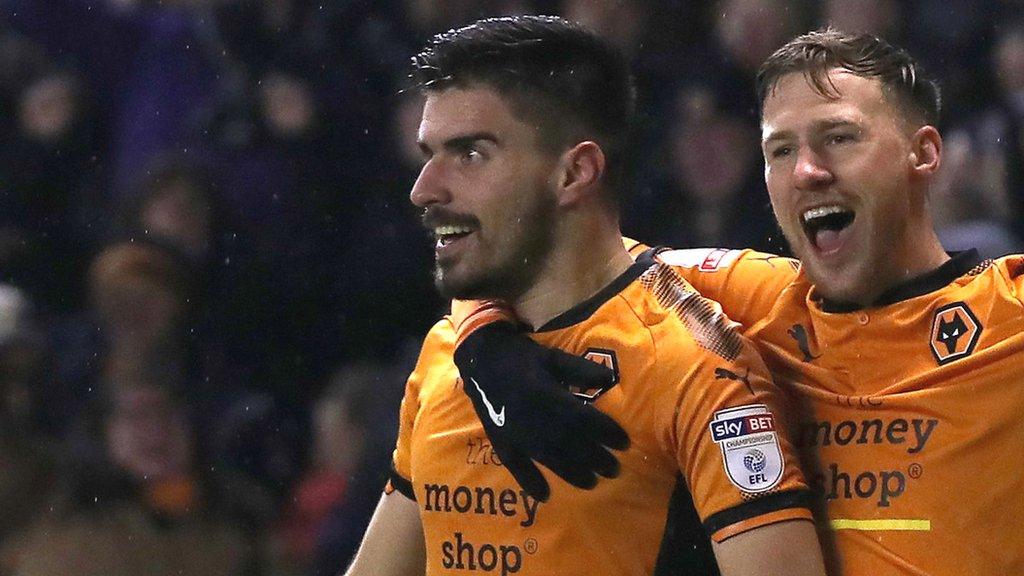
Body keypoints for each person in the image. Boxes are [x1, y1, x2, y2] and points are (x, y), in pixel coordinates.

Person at [453, 28, 1024, 574]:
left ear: (922, 154)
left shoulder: (1008, 311)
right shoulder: (752, 296)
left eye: (840, 138)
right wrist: (484, 343)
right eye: (780, 150)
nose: (807, 171)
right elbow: (540, 252)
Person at [344, 15, 826, 576]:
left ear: (575, 172)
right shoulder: (451, 349)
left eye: (470, 154)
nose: (424, 188)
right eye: (428, 154)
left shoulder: (691, 369)